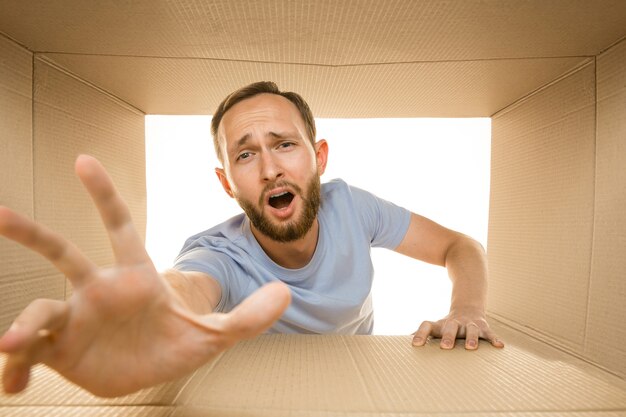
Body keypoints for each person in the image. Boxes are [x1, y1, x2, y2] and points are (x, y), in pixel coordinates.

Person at [0, 81, 503, 398]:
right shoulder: (218, 252)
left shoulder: (352, 206)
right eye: (245, 156)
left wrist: (467, 308)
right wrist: (146, 314)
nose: (269, 169)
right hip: (266, 395)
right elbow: (186, 288)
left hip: (355, 380)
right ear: (226, 183)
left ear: (319, 157)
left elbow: (460, 246)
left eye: (285, 144)